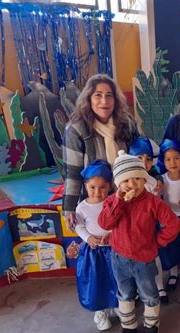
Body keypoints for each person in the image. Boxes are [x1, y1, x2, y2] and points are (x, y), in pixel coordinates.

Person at [98, 151, 180, 333]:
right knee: (124, 294)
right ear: (118, 183)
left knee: (149, 294)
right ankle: (128, 327)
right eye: (126, 180)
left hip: (144, 260)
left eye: (137, 178)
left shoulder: (153, 202)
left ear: (145, 180)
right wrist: (118, 201)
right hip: (119, 258)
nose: (132, 184)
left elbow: (173, 225)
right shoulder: (112, 201)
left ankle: (152, 326)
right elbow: (105, 223)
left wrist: (156, 243)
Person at [62, 74, 140, 231]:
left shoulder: (126, 123)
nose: (104, 101)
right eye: (98, 95)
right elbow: (73, 172)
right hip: (96, 200)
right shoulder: (76, 129)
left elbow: (139, 159)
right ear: (89, 99)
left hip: (127, 195)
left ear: (115, 100)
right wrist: (69, 207)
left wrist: (155, 178)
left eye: (109, 96)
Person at [75, 160, 118, 331]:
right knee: (97, 281)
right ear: (85, 185)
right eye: (92, 187)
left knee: (116, 279)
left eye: (102, 187)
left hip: (114, 249)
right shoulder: (82, 207)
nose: (97, 192)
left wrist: (112, 235)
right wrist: (88, 238)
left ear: (109, 186)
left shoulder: (113, 202)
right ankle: (100, 311)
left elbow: (120, 222)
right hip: (93, 253)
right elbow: (79, 226)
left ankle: (117, 305)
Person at [129, 136, 168, 304]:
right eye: (139, 158)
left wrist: (153, 178)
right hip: (131, 228)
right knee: (133, 260)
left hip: (149, 225)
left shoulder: (153, 179)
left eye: (148, 159)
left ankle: (159, 287)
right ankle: (138, 288)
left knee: (154, 257)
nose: (144, 162)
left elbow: (156, 194)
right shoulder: (125, 180)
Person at [156, 139, 180, 292]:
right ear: (163, 161)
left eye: (177, 158)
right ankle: (173, 273)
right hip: (170, 222)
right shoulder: (161, 180)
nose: (173, 162)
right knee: (172, 248)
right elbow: (158, 200)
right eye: (168, 159)